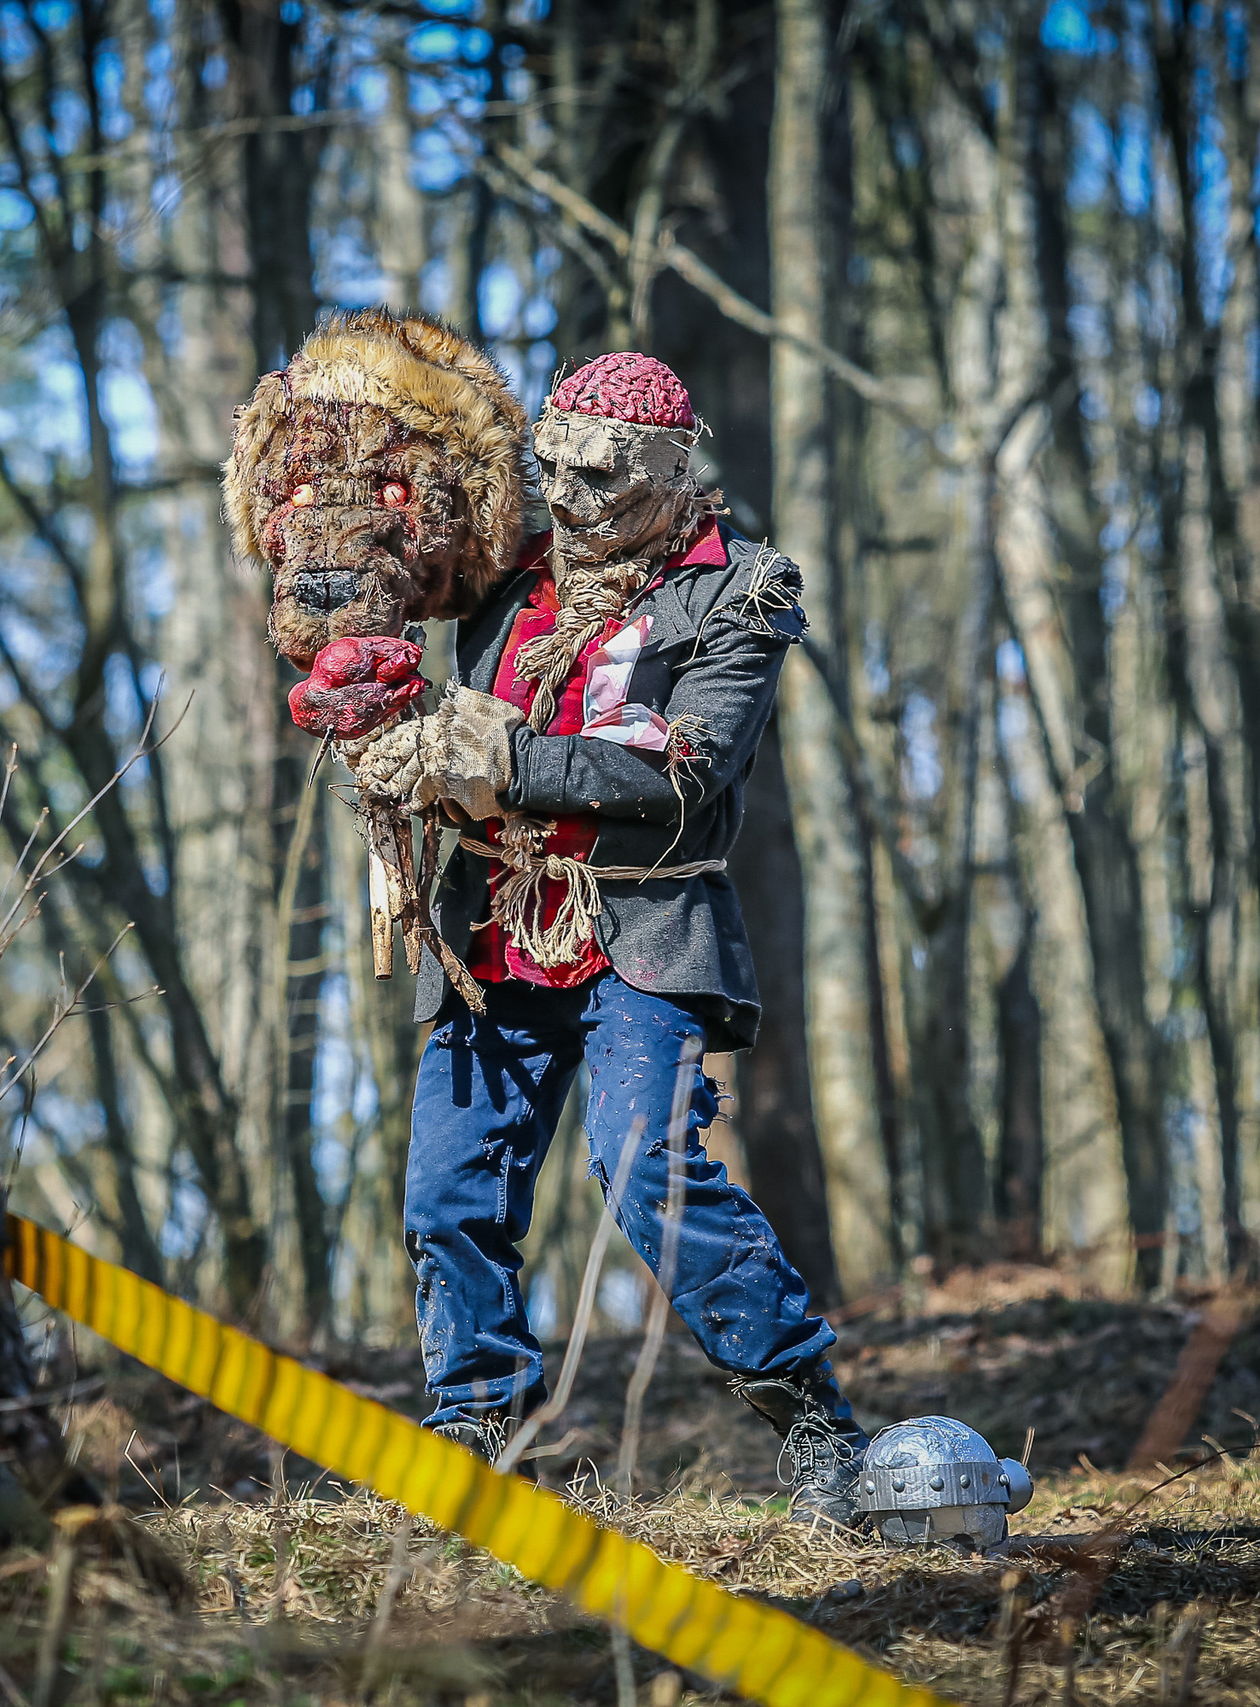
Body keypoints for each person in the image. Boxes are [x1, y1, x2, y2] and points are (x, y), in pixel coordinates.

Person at [347, 352, 870, 1526]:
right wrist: (368, 704)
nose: (572, 497)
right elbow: (368, 573)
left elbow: (690, 774)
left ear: (671, 472)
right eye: (554, 469)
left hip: (648, 927)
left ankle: (820, 1430)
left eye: (602, 475)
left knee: (647, 1178)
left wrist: (503, 760)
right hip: (494, 931)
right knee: (445, 1195)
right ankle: (475, 1433)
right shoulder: (499, 564)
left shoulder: (744, 587)